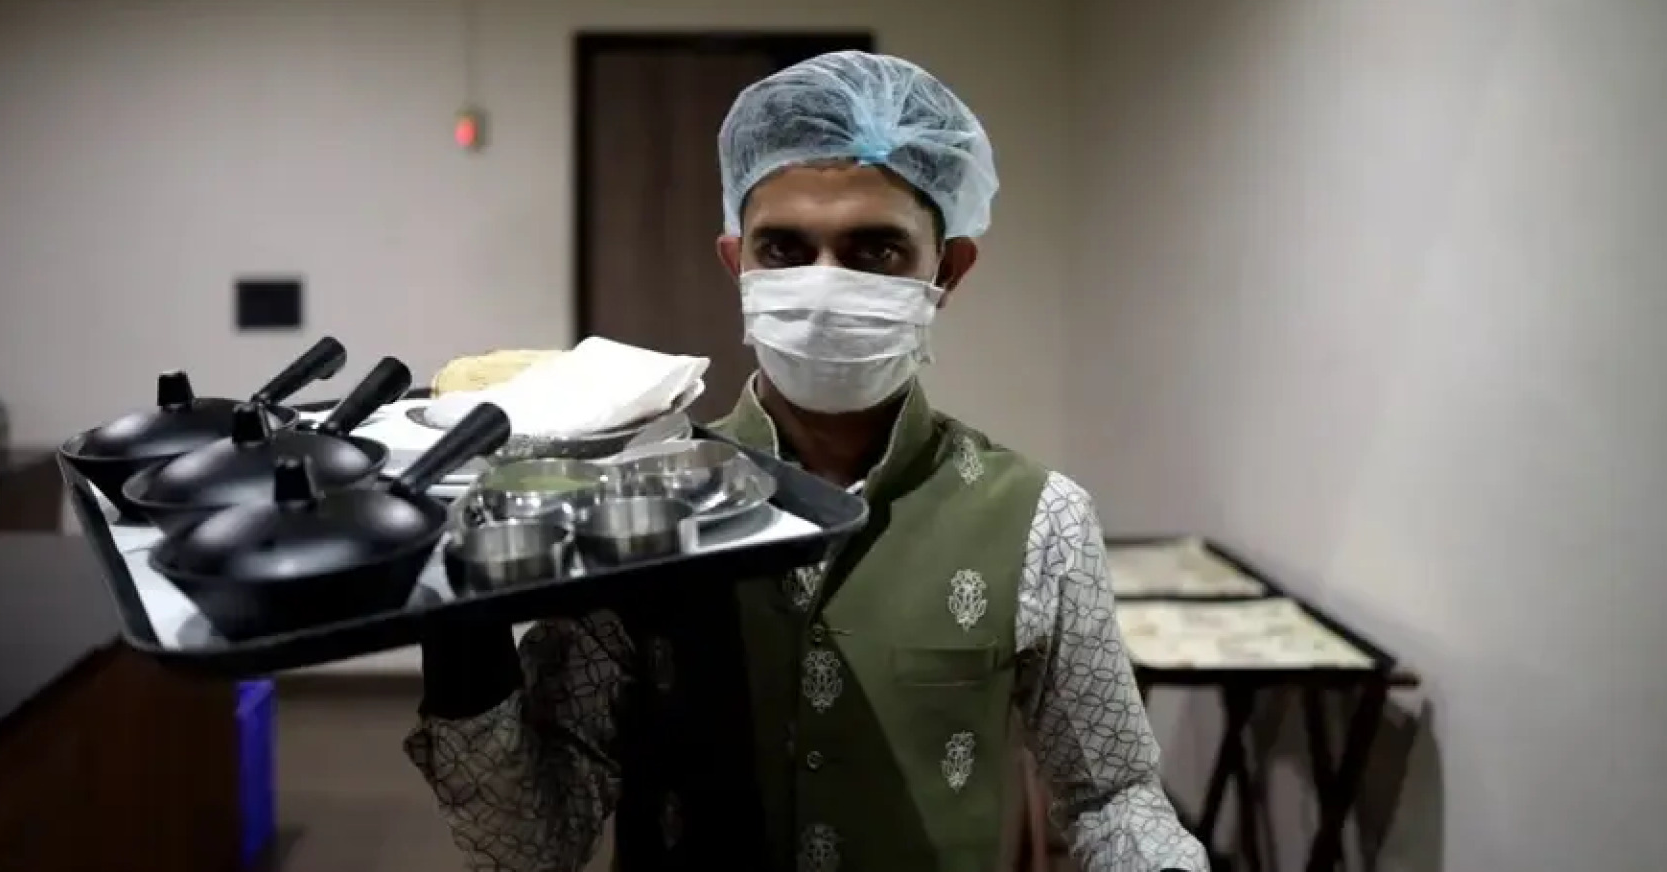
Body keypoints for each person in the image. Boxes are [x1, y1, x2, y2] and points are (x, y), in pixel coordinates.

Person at [407, 51, 1209, 872]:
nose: (824, 286)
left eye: (876, 251)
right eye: (785, 249)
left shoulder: (1042, 522)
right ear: (738, 265)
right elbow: (531, 843)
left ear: (948, 270)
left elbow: (1113, 797)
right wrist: (459, 624)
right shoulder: (636, 511)